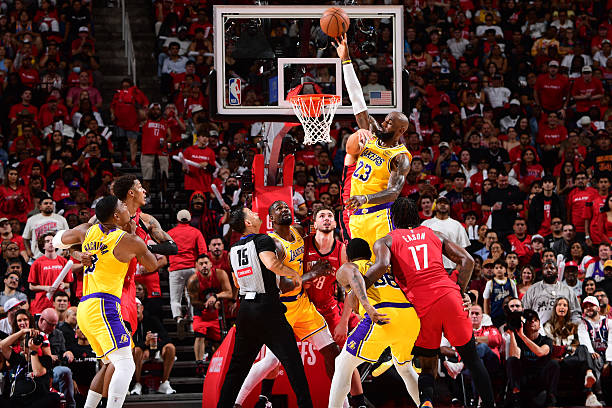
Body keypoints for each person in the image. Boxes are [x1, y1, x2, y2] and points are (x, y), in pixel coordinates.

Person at [364, 197, 495, 408]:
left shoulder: (386, 240)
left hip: (422, 306)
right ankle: (489, 405)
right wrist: (460, 291)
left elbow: (381, 266)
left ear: (393, 218)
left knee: (427, 366)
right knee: (472, 359)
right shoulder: (434, 234)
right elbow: (468, 261)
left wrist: (357, 287)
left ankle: (426, 401)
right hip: (450, 298)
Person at [52, 195, 158, 408]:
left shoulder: (86, 230)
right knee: (126, 365)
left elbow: (56, 241)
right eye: (122, 206)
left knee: (110, 363)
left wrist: (77, 253)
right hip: (104, 305)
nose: (127, 208)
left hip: (85, 307)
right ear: (116, 216)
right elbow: (153, 265)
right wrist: (135, 237)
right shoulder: (128, 240)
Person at [233, 201, 338, 408]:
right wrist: (312, 274)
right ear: (271, 219)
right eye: (278, 208)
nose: (284, 209)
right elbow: (282, 285)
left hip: (302, 304)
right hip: (281, 308)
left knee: (332, 351)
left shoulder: (298, 231)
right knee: (271, 361)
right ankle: (236, 401)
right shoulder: (273, 244)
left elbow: (315, 238)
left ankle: (342, 404)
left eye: (286, 207)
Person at [217, 207, 312, 408]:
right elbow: (271, 264)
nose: (255, 213)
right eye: (250, 213)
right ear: (248, 223)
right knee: (293, 364)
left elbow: (236, 283)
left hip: (246, 310)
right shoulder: (263, 240)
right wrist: (294, 274)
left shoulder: (233, 249)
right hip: (267, 308)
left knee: (236, 370)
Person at [328, 237, 420, 408]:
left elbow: (354, 274)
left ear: (348, 257)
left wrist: (367, 307)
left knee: (341, 363)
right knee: (405, 369)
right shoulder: (385, 269)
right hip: (410, 318)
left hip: (382, 315)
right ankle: (426, 404)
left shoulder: (349, 267)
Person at [302, 206, 366, 406]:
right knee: (275, 355)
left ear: (335, 223)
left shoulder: (341, 250)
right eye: (322, 216)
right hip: (303, 307)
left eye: (330, 215)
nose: (327, 218)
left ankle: (359, 402)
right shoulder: (303, 245)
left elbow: (350, 290)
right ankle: (264, 397)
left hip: (327, 307)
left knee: (346, 356)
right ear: (315, 223)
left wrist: (344, 322)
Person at [543, 297, 602, 406]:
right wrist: (568, 349)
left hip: (571, 359)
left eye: (565, 305)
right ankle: (590, 394)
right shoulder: (548, 326)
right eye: (559, 304)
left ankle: (589, 377)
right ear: (555, 308)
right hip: (559, 361)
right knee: (582, 358)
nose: (562, 307)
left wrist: (570, 349)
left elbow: (577, 346)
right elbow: (552, 348)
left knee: (583, 348)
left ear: (568, 309)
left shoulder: (572, 326)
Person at [0, 309, 60, 407]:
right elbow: (2, 346)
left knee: (54, 398)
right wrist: (22, 332)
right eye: (19, 320)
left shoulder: (43, 356)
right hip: (18, 398)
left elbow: (38, 372)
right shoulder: (17, 357)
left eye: (25, 319)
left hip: (38, 396)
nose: (22, 323)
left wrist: (33, 350)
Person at [186, 253, 232, 375]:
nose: (204, 266)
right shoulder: (193, 281)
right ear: (196, 266)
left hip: (216, 313)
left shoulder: (220, 274)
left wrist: (216, 297)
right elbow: (194, 302)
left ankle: (218, 365)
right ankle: (199, 365)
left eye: (206, 263)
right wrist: (208, 304)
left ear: (211, 264)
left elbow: (229, 293)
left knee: (218, 341)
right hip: (201, 313)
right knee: (199, 335)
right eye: (201, 264)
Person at [505, 309, 560, 407]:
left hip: (540, 377)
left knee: (554, 364)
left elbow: (540, 352)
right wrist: (513, 333)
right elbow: (514, 356)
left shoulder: (546, 340)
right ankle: (516, 395)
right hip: (524, 377)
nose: (533, 322)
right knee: (511, 360)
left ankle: (551, 398)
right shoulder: (519, 338)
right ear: (524, 325)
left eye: (536, 320)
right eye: (530, 320)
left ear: (539, 325)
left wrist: (523, 336)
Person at [167, 208, 208, 336]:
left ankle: (179, 318)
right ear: (190, 219)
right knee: (192, 296)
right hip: (191, 268)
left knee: (175, 298)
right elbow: (203, 252)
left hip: (175, 268)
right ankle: (191, 324)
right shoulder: (196, 232)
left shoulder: (170, 233)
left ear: (177, 219)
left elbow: (165, 249)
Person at [130, 298, 177, 395]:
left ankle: (164, 382)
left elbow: (166, 338)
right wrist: (145, 344)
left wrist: (150, 350)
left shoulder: (152, 319)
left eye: (137, 306)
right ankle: (137, 383)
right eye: (133, 307)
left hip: (155, 350)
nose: (136, 309)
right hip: (139, 353)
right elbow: (131, 344)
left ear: (142, 308)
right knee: (137, 350)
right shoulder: (128, 324)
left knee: (170, 347)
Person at [37, 307, 76, 408]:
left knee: (65, 371)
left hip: (53, 369)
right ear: (41, 320)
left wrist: (67, 353)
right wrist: (48, 356)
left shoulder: (58, 334)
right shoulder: (33, 332)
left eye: (55, 325)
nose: (53, 328)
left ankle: (70, 406)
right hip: (37, 368)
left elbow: (63, 353)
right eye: (51, 324)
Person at [523, 260, 582, 324]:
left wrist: (573, 327)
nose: (548, 270)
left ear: (557, 271)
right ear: (542, 271)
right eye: (546, 268)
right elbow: (524, 311)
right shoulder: (532, 290)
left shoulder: (568, 290)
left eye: (552, 268)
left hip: (562, 329)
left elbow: (576, 314)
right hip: (539, 329)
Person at [421, 196, 471, 271]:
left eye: (445, 203)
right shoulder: (425, 224)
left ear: (449, 207)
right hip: (431, 267)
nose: (443, 205)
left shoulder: (457, 225)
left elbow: (463, 249)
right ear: (435, 206)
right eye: (440, 203)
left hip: (451, 267)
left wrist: (458, 267)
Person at [578, 296, 612, 403]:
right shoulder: (582, 323)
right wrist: (592, 352)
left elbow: (611, 342)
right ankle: (598, 394)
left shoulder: (609, 322)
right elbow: (584, 341)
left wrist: (608, 361)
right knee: (595, 360)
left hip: (608, 355)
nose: (588, 308)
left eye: (591, 306)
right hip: (594, 356)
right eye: (586, 307)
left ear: (598, 308)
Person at [28, 233, 71, 315]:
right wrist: (46, 288)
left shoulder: (64, 261)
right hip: (43, 302)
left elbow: (68, 284)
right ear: (43, 246)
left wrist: (64, 285)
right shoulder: (37, 263)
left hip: (60, 303)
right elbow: (31, 286)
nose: (51, 242)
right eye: (47, 241)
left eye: (53, 241)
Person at [22, 195, 69, 260]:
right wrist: (28, 251)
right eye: (46, 203)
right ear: (40, 207)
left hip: (57, 256)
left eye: (51, 203)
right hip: (38, 256)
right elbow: (26, 238)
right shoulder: (31, 220)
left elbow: (67, 236)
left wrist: (66, 249)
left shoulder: (61, 219)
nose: (48, 205)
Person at [483, 260, 518, 326]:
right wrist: (487, 316)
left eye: (501, 267)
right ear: (494, 270)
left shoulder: (511, 282)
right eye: (496, 268)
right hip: (495, 315)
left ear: (505, 270)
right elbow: (486, 301)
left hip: (509, 315)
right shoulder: (490, 283)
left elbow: (516, 299)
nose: (499, 269)